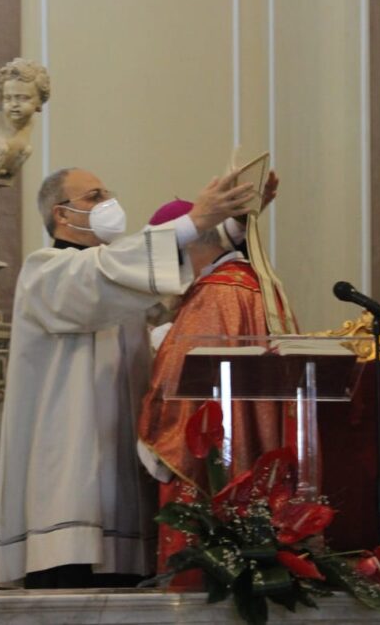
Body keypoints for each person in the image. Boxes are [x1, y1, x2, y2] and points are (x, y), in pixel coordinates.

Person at [0, 167, 260, 588]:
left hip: (122, 468)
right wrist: (197, 221)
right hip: (69, 475)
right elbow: (103, 274)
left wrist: (238, 227)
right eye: (94, 196)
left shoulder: (120, 278)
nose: (107, 203)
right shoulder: (45, 270)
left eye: (106, 193)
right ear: (61, 214)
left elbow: (173, 276)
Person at [136, 198, 296, 587]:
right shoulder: (262, 287)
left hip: (214, 471)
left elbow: (174, 389)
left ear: (187, 246)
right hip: (260, 457)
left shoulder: (212, 295)